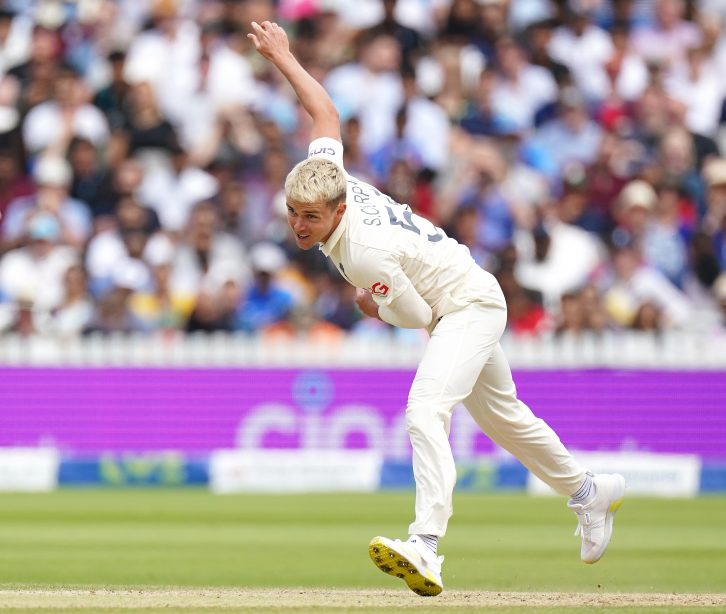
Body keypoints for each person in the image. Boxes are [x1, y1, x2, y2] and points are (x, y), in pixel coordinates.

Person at [247, 20, 626, 597]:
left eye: (311, 218)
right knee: (504, 419)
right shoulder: (328, 175)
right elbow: (325, 115)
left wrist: (370, 307)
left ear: (339, 207)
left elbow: (416, 315)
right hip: (463, 296)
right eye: (293, 212)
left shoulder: (365, 252)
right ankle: (587, 493)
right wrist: (284, 57)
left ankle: (426, 546)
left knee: (425, 411)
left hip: (464, 306)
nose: (299, 225)